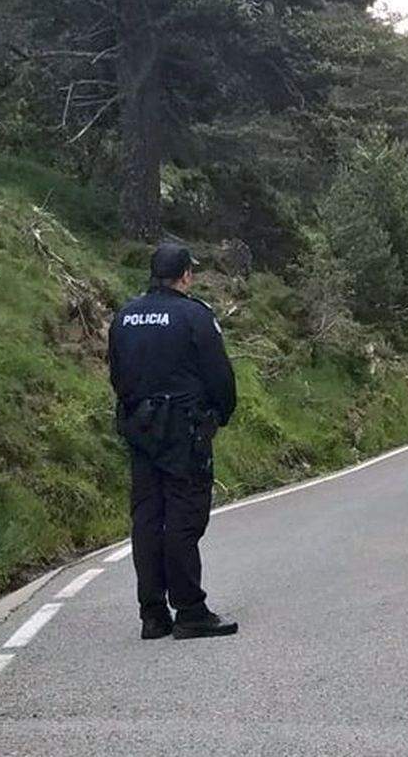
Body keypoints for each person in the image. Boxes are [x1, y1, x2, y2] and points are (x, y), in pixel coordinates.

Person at [107, 242, 239, 641]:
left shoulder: (124, 316)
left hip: (140, 427)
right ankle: (190, 609)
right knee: (184, 515)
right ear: (185, 275)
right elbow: (219, 374)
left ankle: (152, 612)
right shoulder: (194, 315)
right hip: (184, 429)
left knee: (147, 517)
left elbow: (116, 372)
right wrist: (221, 413)